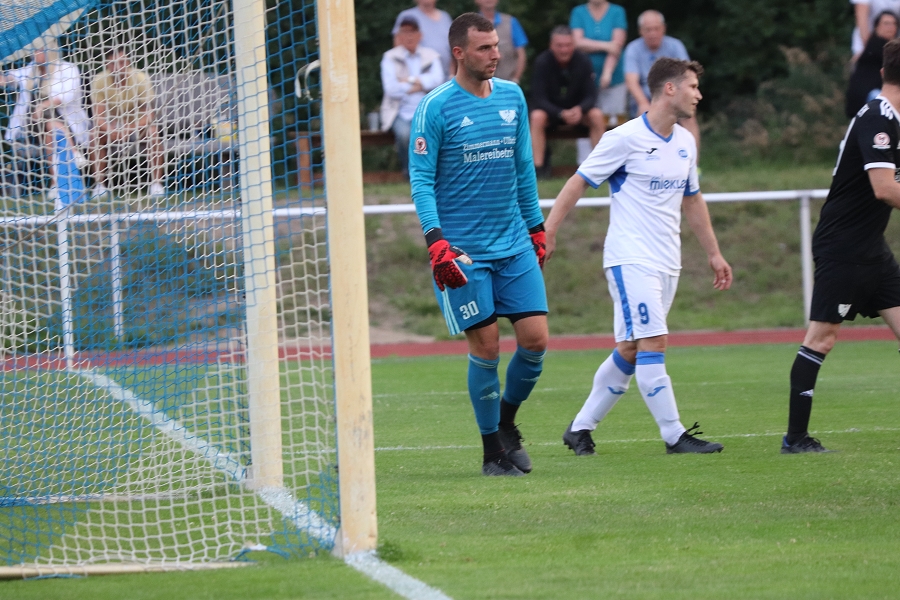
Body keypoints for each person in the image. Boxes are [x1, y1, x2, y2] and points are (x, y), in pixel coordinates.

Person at [544, 58, 732, 456]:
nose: (699, 95)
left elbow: (692, 200)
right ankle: (674, 435)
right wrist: (550, 230)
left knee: (631, 348)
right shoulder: (623, 138)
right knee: (653, 341)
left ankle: (580, 429)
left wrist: (714, 253)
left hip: (668, 261)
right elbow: (578, 182)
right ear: (670, 88)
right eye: (693, 86)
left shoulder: (685, 142)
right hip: (630, 258)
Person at [409, 13, 548, 477]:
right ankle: (492, 453)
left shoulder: (512, 96)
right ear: (459, 53)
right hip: (464, 252)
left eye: (496, 46)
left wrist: (536, 227)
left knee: (535, 342)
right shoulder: (435, 107)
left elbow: (523, 167)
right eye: (485, 48)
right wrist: (436, 242)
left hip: (514, 242)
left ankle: (506, 422)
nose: (495, 54)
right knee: (487, 348)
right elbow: (421, 181)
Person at [782, 39, 900, 454]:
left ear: (883, 72)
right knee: (822, 338)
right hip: (843, 247)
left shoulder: (894, 119)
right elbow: (884, 188)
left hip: (872, 249)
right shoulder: (877, 117)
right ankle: (795, 438)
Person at [0, 47, 90, 200]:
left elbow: (66, 96)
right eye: (34, 51)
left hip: (66, 122)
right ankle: (75, 154)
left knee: (50, 127)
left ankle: (56, 182)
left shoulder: (68, 69)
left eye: (40, 50)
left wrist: (43, 105)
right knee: (48, 124)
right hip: (32, 126)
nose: (35, 54)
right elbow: (10, 79)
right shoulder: (30, 70)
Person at [90, 47, 165, 198]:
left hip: (137, 125)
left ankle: (157, 184)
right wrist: (110, 130)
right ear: (107, 64)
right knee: (94, 135)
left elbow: (149, 116)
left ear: (128, 62)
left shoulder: (140, 78)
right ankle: (99, 185)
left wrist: (129, 128)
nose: (117, 67)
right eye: (113, 63)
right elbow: (98, 117)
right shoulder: (99, 80)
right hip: (111, 126)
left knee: (153, 133)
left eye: (121, 62)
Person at [529, 26, 603, 177]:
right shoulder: (542, 62)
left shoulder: (583, 60)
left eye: (568, 45)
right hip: (551, 113)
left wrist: (580, 109)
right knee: (536, 117)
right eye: (560, 46)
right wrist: (560, 113)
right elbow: (538, 98)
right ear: (551, 46)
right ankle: (538, 170)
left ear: (573, 45)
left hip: (578, 112)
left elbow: (591, 95)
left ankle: (601, 166)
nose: (564, 50)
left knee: (596, 115)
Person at [623, 10, 699, 147]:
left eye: (656, 29)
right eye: (648, 30)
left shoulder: (675, 46)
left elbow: (687, 78)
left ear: (663, 28)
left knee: (689, 115)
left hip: (673, 95)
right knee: (643, 112)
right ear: (641, 31)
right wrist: (643, 102)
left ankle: (692, 159)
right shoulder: (633, 49)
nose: (653, 33)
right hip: (647, 98)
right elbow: (631, 81)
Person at [380, 17, 445, 178]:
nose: (409, 36)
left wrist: (408, 80)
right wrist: (422, 84)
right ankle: (409, 172)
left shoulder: (431, 56)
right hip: (399, 112)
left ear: (420, 35)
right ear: (399, 36)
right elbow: (391, 89)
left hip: (427, 110)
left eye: (412, 32)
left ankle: (432, 172)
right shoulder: (389, 57)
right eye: (405, 32)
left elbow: (438, 81)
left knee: (438, 132)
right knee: (404, 134)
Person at [569, 0, 627, 132]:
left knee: (615, 124)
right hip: (584, 79)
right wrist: (606, 45)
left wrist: (607, 73)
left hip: (614, 79)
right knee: (585, 124)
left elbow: (616, 47)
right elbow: (577, 43)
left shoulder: (617, 12)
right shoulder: (578, 12)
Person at [846, 10, 899, 118]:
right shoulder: (878, 47)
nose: (891, 27)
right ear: (876, 27)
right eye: (886, 23)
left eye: (894, 23)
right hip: (868, 96)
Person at [393, 0, 454, 79]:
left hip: (445, 78)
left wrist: (452, 75)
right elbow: (398, 47)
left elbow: (452, 49)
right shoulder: (407, 16)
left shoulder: (445, 17)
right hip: (418, 79)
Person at [474, 0, 527, 83]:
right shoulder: (470, 25)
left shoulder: (511, 22)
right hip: (477, 84)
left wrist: (515, 80)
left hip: (506, 82)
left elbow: (521, 54)